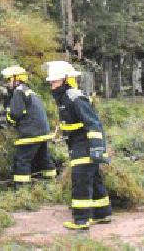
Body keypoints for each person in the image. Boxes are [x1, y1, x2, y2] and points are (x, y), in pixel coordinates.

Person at [47, 60, 112, 230]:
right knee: (94, 178)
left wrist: (97, 149)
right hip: (77, 143)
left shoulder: (74, 97)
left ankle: (81, 220)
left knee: (80, 180)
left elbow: (93, 123)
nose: (52, 86)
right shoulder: (64, 98)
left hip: (85, 145)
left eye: (54, 82)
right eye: (51, 82)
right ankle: (102, 213)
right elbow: (72, 123)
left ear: (66, 80)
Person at [1, 65, 59, 187]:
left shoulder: (19, 92)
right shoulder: (30, 91)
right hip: (42, 132)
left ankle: (22, 187)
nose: (7, 83)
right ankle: (50, 183)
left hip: (30, 133)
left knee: (22, 160)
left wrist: (8, 121)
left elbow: (15, 113)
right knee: (43, 158)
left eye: (8, 80)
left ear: (16, 79)